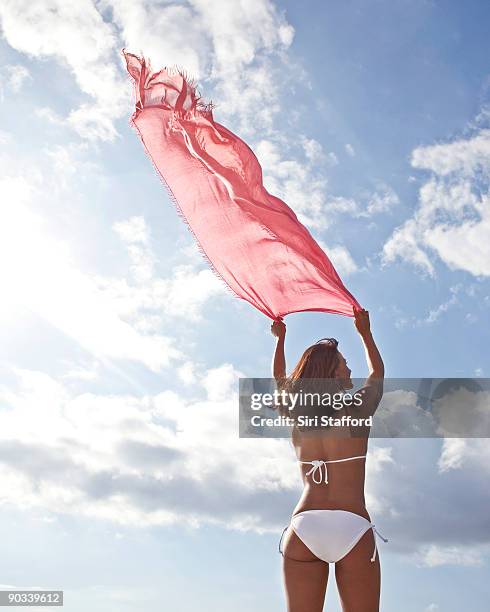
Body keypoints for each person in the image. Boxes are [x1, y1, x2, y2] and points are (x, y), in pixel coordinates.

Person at [270, 308, 386, 612]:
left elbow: (280, 381)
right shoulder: (356, 411)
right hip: (352, 524)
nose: (349, 369)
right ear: (332, 372)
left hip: (305, 525)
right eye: (344, 364)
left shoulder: (296, 414)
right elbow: (377, 376)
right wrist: (366, 333)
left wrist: (280, 340)